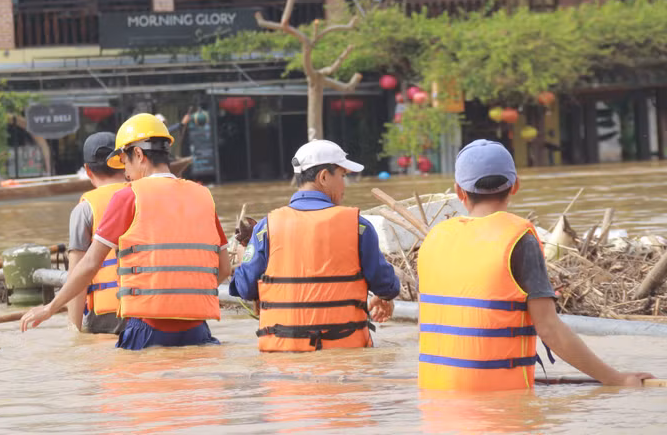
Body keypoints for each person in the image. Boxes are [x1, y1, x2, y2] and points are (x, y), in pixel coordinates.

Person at [416, 139, 654, 391]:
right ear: (515, 186)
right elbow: (550, 328)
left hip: (435, 404)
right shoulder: (519, 240)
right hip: (500, 407)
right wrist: (616, 380)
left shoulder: (434, 239)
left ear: (458, 191)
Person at [21, 113, 231, 350]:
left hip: (147, 329)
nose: (126, 173)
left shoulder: (129, 196)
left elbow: (90, 264)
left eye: (125, 163)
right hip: (197, 328)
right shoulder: (203, 196)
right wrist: (183, 297)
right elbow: (224, 268)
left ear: (139, 155)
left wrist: (50, 308)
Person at [230, 139, 401, 352]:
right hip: (345, 357)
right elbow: (385, 284)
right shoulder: (358, 227)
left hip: (282, 361)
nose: (344, 186)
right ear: (323, 177)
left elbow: (245, 288)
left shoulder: (266, 228)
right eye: (343, 176)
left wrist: (242, 256)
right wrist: (386, 296)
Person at [66, 132, 129, 334]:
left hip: (106, 320)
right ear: (123, 161)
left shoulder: (84, 210)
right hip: (147, 310)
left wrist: (74, 332)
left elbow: (77, 275)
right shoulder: (143, 195)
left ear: (87, 170)